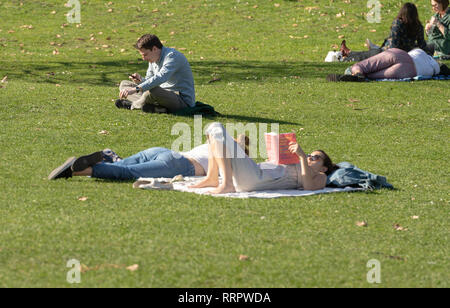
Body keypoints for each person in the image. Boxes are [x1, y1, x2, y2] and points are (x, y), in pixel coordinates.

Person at [189, 123, 337, 194]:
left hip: (255, 179)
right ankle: (212, 177)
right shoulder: (298, 163)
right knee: (214, 133)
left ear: (324, 167)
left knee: (217, 129)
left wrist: (303, 158)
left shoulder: (320, 176)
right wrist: (274, 159)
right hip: (253, 173)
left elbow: (308, 187)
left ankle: (226, 183)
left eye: (316, 157)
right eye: (310, 155)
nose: (310, 158)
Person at [48, 136, 250, 181]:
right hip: (179, 164)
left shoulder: (212, 143)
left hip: (166, 152)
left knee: (125, 164)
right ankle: (79, 170)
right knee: (128, 173)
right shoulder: (229, 158)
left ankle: (106, 157)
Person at [115, 34, 196, 113]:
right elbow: (149, 80)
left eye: (145, 54)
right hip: (158, 95)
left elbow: (161, 77)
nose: (144, 59)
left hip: (180, 100)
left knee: (152, 91)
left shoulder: (172, 56)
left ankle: (133, 105)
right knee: (124, 84)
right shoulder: (153, 59)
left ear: (154, 49)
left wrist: (136, 89)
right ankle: (158, 108)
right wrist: (140, 81)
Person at [341, 3, 429, 62]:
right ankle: (348, 52)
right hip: (406, 54)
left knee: (367, 55)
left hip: (390, 53)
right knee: (368, 53)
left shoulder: (398, 23)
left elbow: (394, 45)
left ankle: (348, 55)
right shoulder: (418, 26)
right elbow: (422, 46)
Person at [328, 47, 441, 81]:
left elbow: (412, 52)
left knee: (365, 66)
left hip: (401, 55)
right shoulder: (434, 69)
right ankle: (360, 76)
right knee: (373, 76)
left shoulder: (420, 52)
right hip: (409, 71)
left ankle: (355, 72)